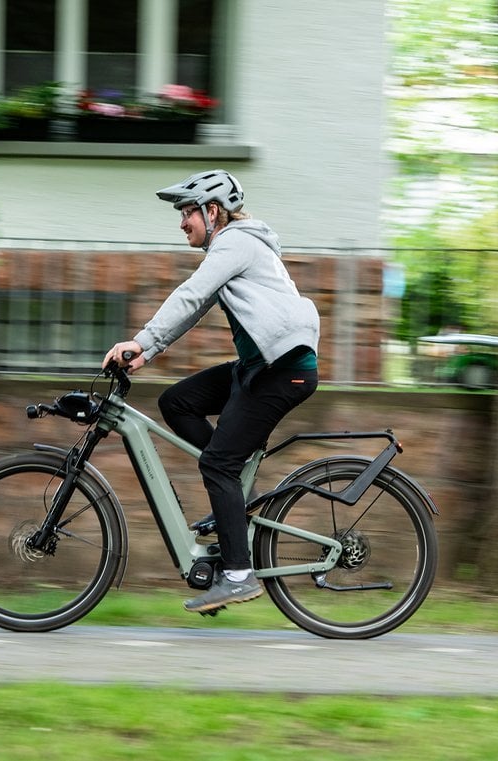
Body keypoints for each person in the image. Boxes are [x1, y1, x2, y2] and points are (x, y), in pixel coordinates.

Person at [103, 169, 320, 613]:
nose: (182, 222)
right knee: (177, 402)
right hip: (260, 367)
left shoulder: (236, 241)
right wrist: (148, 351)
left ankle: (239, 576)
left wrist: (139, 341)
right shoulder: (233, 246)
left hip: (283, 370)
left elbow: (190, 294)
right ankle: (234, 501)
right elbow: (197, 304)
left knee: (219, 463)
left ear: (213, 211)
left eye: (187, 212)